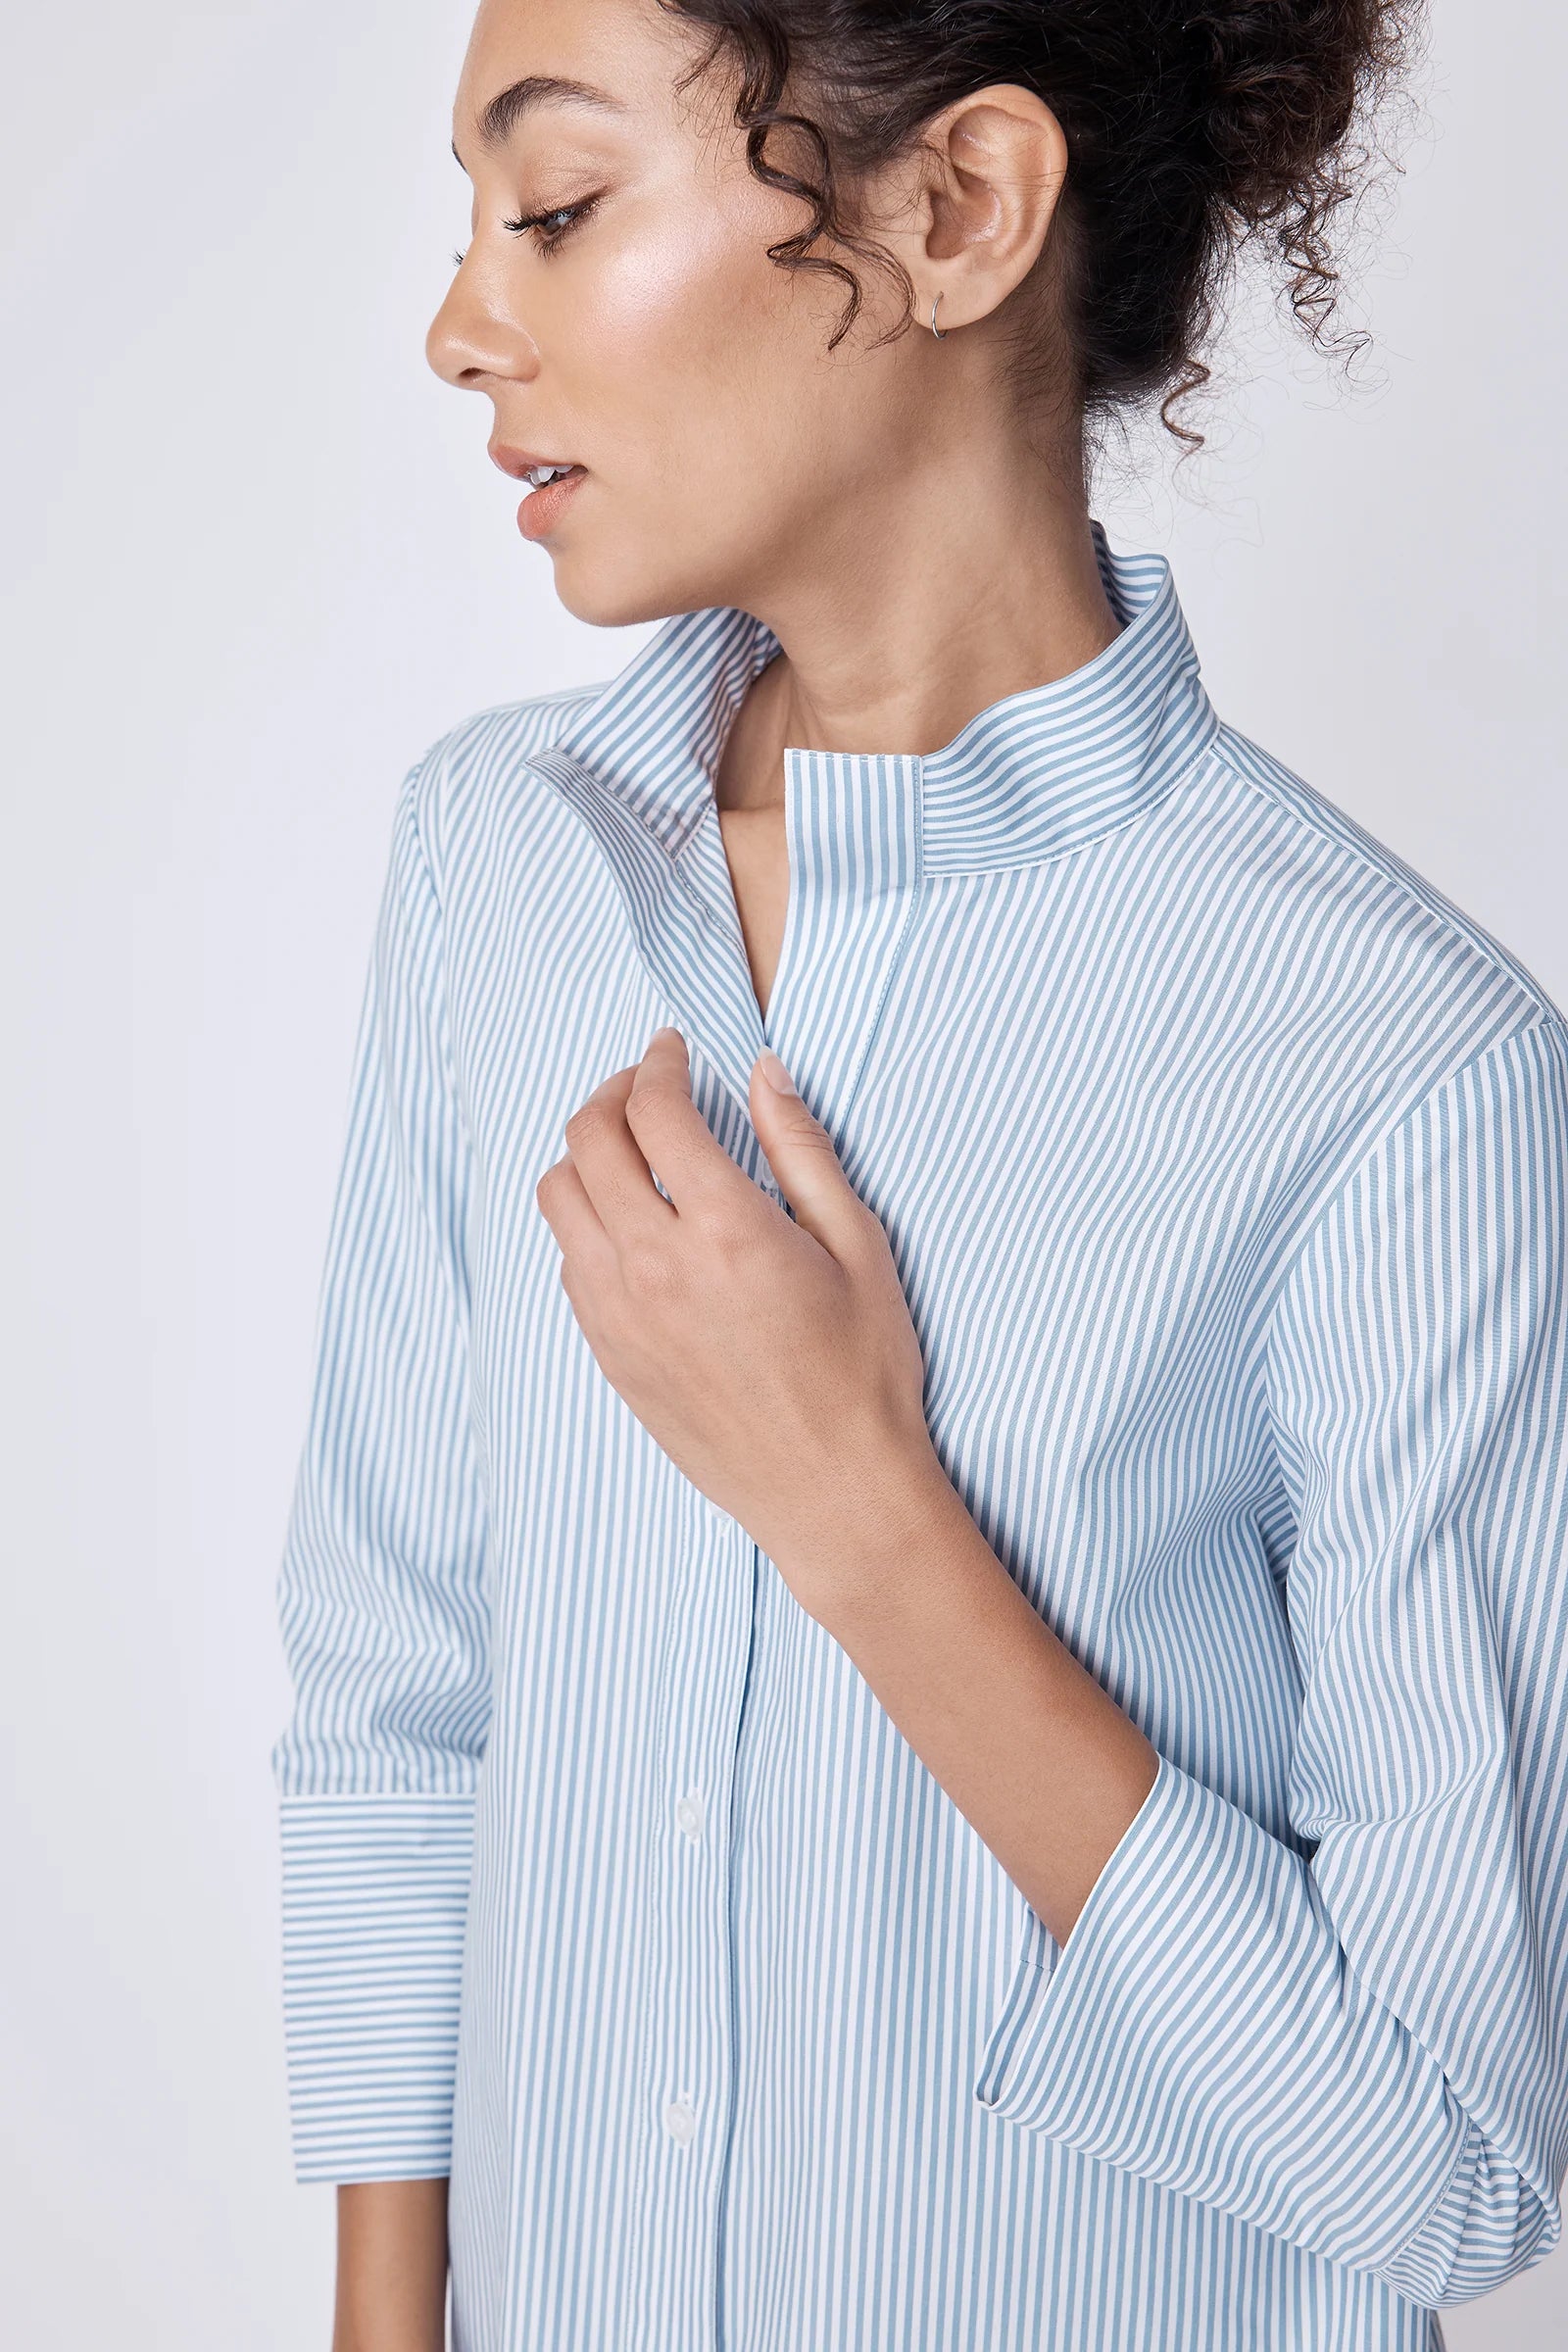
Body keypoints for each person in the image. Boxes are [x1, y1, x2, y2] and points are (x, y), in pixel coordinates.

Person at [270, 2, 1568, 2346]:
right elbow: (397, 1699)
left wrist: (856, 1509)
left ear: (954, 208)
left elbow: (1443, 2164)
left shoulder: (1395, 1067)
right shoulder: (497, 863)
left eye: (556, 209)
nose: (463, 324)